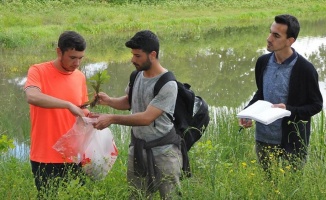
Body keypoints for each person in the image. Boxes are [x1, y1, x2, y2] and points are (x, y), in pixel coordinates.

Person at [92, 30, 183, 199]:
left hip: (164, 152)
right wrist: (109, 100)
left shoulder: (168, 83)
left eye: (138, 56)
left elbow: (147, 117)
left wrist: (112, 118)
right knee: (136, 196)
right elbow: (129, 102)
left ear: (152, 55)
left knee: (170, 197)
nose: (133, 60)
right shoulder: (136, 75)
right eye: (132, 55)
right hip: (138, 149)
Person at [239, 14, 323, 172]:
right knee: (269, 187)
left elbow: (316, 105)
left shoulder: (305, 69)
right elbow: (261, 93)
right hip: (263, 139)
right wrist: (247, 112)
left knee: (290, 189)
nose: (269, 38)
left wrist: (288, 111)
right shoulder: (262, 62)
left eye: (276, 35)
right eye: (270, 32)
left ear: (290, 41)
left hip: (292, 142)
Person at [24, 31, 90, 197]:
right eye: (72, 57)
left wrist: (91, 117)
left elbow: (82, 110)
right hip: (45, 156)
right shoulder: (38, 71)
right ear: (59, 51)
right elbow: (32, 96)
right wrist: (67, 105)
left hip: (74, 156)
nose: (77, 63)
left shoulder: (80, 77)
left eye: (81, 58)